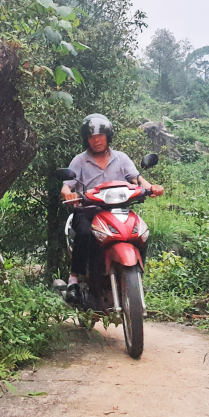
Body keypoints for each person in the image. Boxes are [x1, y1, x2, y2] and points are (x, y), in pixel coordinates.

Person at [61, 114, 164, 299]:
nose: (96, 140)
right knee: (84, 233)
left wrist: (152, 188)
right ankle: (74, 279)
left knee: (141, 231)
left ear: (108, 136)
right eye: (91, 137)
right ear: (86, 140)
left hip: (118, 210)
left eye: (100, 135)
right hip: (89, 211)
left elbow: (137, 179)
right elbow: (67, 185)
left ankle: (136, 273)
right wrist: (68, 193)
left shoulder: (121, 158)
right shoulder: (79, 160)